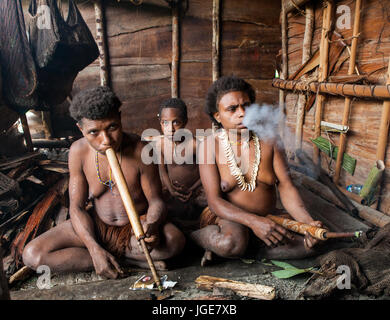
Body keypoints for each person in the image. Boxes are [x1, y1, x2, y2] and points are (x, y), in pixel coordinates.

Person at [22, 86, 185, 279]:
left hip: (134, 230)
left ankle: (118, 257)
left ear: (120, 118)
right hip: (96, 226)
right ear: (81, 129)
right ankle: (118, 259)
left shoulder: (142, 149)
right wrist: (93, 248)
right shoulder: (78, 152)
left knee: (175, 241)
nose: (106, 140)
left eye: (112, 127)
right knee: (32, 255)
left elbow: (156, 201)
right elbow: (77, 208)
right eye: (94, 132)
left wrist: (153, 224)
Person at [190, 76, 324, 266]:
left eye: (246, 106)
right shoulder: (209, 146)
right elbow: (214, 201)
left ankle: (247, 248)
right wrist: (253, 222)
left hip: (268, 218)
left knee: (313, 244)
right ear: (217, 116)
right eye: (232, 109)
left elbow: (286, 187)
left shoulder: (270, 140)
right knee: (231, 242)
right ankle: (195, 238)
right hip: (229, 219)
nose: (242, 113)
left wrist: (308, 223)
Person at [157, 98, 207, 226]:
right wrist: (171, 189)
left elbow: (206, 172)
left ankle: (194, 226)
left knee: (204, 202)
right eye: (165, 123)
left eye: (176, 123)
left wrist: (193, 190)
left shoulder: (195, 145)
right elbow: (162, 171)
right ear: (160, 123)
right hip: (173, 190)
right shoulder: (160, 144)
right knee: (162, 205)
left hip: (195, 190)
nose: (171, 129)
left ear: (185, 122)